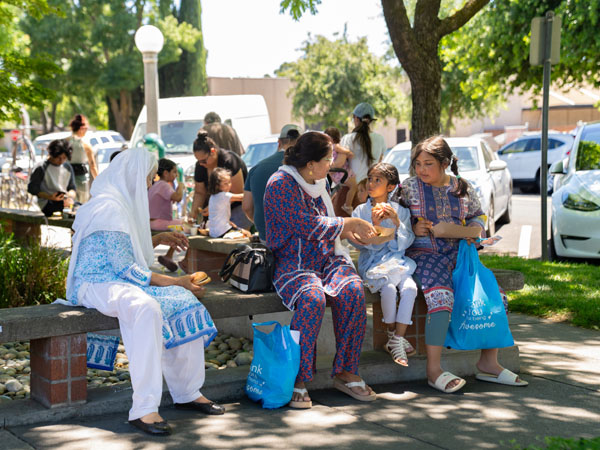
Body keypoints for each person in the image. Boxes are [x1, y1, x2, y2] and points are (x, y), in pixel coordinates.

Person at [66, 147, 225, 437]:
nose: (151, 184)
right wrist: (177, 280)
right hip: (95, 283)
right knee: (145, 307)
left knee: (183, 301)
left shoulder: (119, 204)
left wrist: (160, 241)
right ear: (134, 177)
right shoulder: (108, 208)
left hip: (118, 279)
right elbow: (127, 268)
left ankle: (187, 392)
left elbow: (126, 254)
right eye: (149, 178)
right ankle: (144, 409)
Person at [400, 135, 528, 393]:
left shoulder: (463, 188)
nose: (422, 169)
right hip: (424, 256)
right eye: (418, 164)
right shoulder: (407, 188)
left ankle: (489, 363)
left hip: (462, 256)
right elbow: (394, 221)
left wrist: (474, 228)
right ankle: (433, 370)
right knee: (441, 298)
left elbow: (479, 214)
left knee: (495, 298)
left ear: (445, 163)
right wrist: (413, 227)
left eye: (428, 164)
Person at [264, 131, 378, 409]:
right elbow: (305, 225)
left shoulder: (319, 181)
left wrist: (347, 232)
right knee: (312, 298)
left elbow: (325, 224)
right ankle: (298, 378)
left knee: (352, 290)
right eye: (329, 158)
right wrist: (347, 225)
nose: (333, 163)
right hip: (294, 262)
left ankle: (346, 371)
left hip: (327, 258)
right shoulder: (279, 184)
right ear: (311, 163)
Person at [351, 163, 418, 366]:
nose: (371, 183)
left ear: (391, 187)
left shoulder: (399, 211)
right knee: (388, 289)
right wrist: (374, 227)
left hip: (397, 262)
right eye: (370, 178)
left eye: (377, 180)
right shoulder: (360, 211)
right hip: (373, 264)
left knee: (410, 288)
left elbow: (405, 243)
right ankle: (393, 334)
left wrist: (397, 222)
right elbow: (357, 243)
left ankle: (396, 338)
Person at [242, 124, 301, 242]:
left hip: (267, 236)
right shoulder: (306, 168)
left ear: (279, 142)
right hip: (297, 240)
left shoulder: (257, 168)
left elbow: (247, 207)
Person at [189, 130, 250, 230]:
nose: (201, 164)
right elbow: (200, 192)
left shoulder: (229, 161)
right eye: (198, 161)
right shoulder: (200, 166)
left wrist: (215, 206)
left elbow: (238, 193)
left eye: (204, 160)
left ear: (213, 151)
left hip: (237, 207)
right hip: (217, 209)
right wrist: (193, 214)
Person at [338, 103, 386, 213]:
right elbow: (379, 164)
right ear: (371, 121)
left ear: (356, 118)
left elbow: (340, 163)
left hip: (350, 193)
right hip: (372, 193)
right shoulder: (380, 139)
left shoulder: (348, 139)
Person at [148, 158, 185, 272]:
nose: (175, 175)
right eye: (174, 172)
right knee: (186, 225)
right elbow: (177, 198)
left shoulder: (156, 185)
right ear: (165, 173)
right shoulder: (163, 185)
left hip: (152, 221)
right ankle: (173, 257)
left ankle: (169, 255)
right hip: (158, 223)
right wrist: (181, 187)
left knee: (180, 226)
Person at [27, 139, 77, 217]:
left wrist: (69, 197)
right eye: (59, 158)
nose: (61, 161)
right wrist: (49, 197)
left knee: (81, 208)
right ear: (52, 154)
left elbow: (72, 188)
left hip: (63, 201)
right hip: (46, 202)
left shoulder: (67, 167)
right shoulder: (41, 167)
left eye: (64, 158)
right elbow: (32, 188)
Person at [207, 168, 250, 238]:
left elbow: (219, 217)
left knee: (238, 229)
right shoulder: (223, 195)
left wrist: (230, 223)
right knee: (247, 234)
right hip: (222, 232)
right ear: (217, 185)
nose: (229, 185)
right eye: (225, 183)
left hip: (214, 233)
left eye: (230, 182)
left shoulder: (213, 197)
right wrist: (252, 192)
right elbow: (242, 197)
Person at [325, 127, 357, 215]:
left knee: (338, 190)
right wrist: (349, 153)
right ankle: (347, 205)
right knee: (354, 186)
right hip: (341, 172)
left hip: (336, 174)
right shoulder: (336, 146)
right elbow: (344, 150)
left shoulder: (328, 148)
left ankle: (335, 203)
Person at [68, 114, 98, 203]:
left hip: (66, 178)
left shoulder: (64, 142)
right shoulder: (85, 146)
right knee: (81, 204)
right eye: (86, 129)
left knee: (68, 203)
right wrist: (100, 181)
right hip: (81, 179)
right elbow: (92, 166)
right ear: (81, 128)